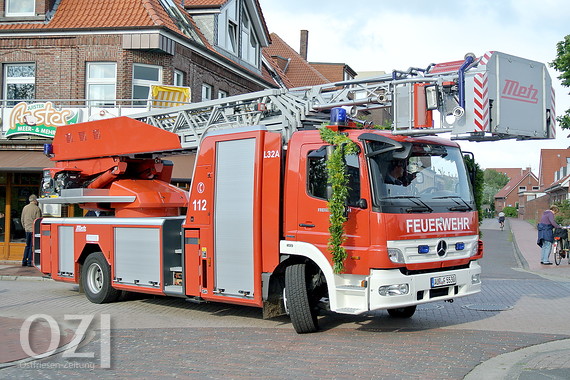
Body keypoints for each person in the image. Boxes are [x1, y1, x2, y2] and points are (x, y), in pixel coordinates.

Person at [21, 194, 42, 267]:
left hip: (27, 229)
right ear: (35, 200)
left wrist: (25, 227)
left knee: (27, 245)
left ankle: (24, 261)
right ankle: (29, 261)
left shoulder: (25, 208)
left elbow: (22, 219)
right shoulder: (37, 209)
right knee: (32, 245)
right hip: (33, 229)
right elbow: (38, 220)